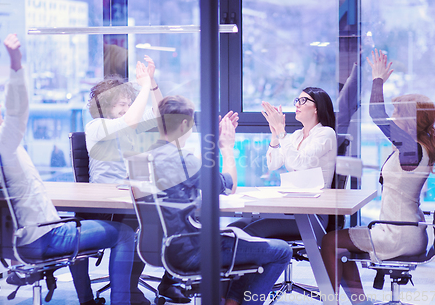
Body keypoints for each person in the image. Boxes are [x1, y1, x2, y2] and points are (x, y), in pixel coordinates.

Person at [0, 34, 135, 305]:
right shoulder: (2, 141)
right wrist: (16, 63)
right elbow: (18, 110)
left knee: (77, 224)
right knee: (124, 234)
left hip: (3, 240)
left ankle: (87, 300)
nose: (2, 106)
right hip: (40, 237)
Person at [321, 49, 435, 304]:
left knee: (330, 241)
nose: (394, 117)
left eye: (398, 113)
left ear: (411, 119)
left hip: (397, 235)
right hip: (407, 231)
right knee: (339, 244)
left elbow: (377, 115)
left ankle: (332, 302)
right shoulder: (415, 149)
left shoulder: (411, 149)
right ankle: (359, 302)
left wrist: (377, 79)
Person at [148, 95, 292, 305]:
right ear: (185, 124)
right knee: (281, 251)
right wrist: (227, 148)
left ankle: (231, 301)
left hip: (162, 248)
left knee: (242, 236)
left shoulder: (145, 157)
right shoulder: (183, 160)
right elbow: (230, 185)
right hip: (193, 250)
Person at [85, 57, 190, 304]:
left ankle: (168, 281)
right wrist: (142, 86)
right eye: (122, 104)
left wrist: (151, 84)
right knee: (147, 222)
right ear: (106, 106)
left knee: (178, 215)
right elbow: (128, 121)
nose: (128, 107)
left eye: (130, 103)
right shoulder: (97, 126)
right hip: (107, 204)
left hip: (134, 197)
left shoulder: (133, 128)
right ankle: (128, 291)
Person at [229, 87, 337, 238]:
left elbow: (300, 162)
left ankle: (245, 260)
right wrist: (275, 134)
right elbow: (273, 164)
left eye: (303, 100)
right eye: (297, 101)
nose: (297, 105)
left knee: (251, 232)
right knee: (235, 226)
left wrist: (281, 129)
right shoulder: (297, 136)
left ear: (317, 108)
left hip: (311, 214)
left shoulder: (326, 133)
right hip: (292, 207)